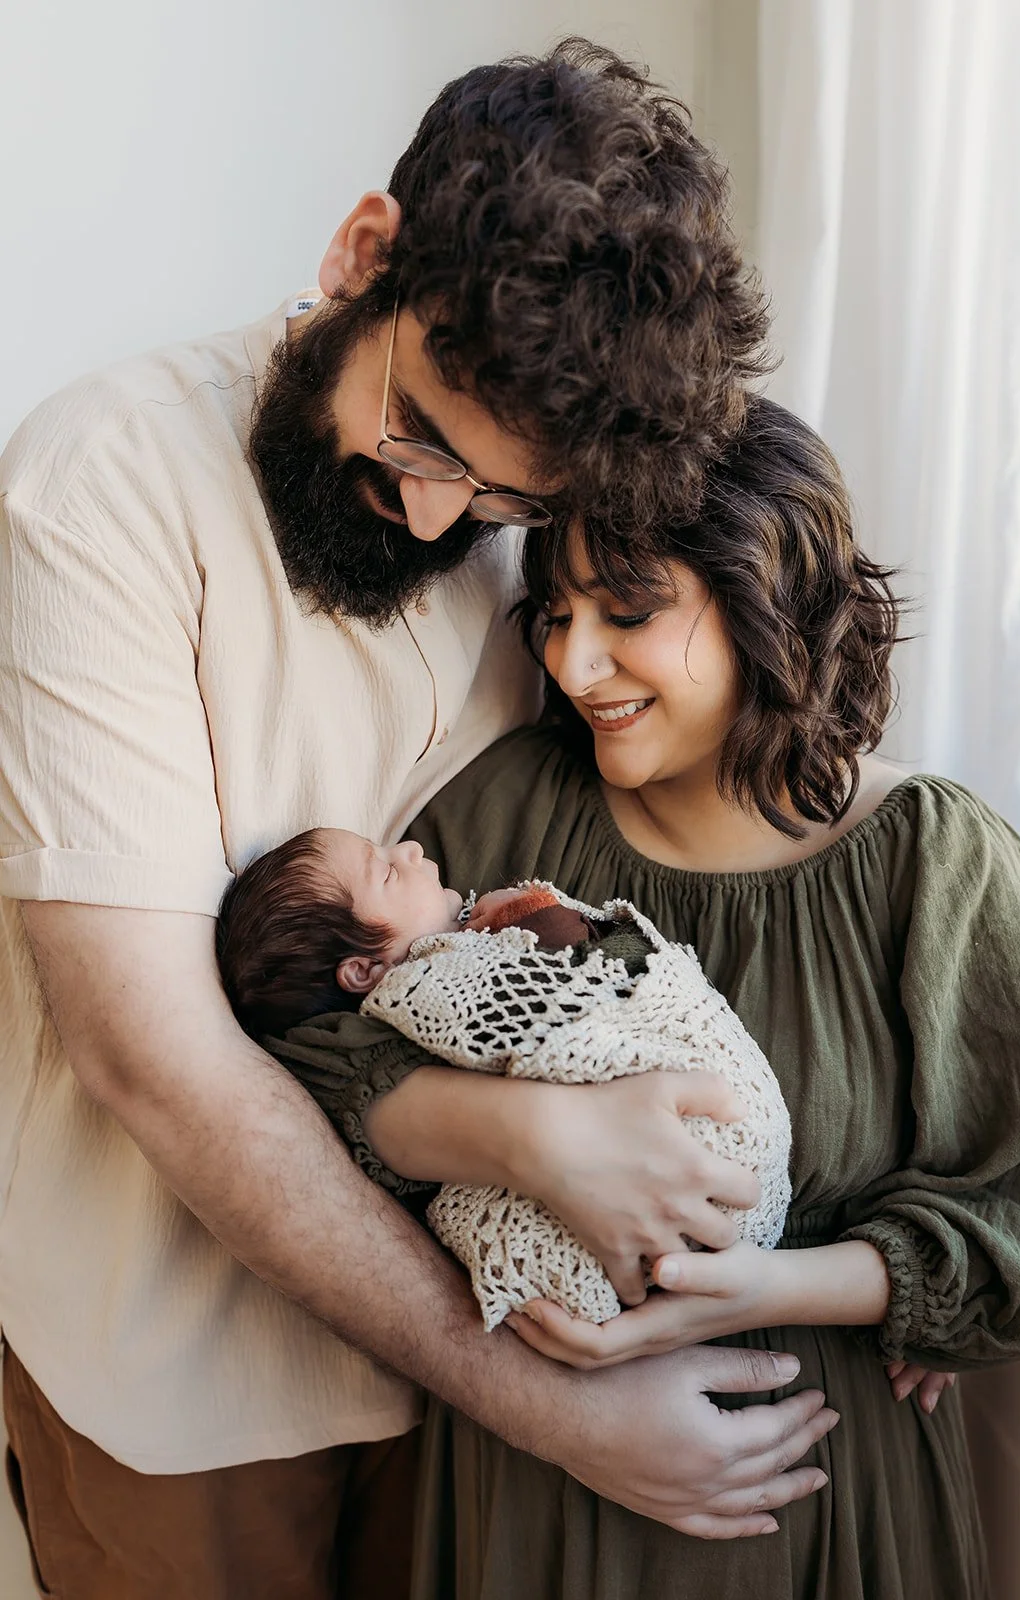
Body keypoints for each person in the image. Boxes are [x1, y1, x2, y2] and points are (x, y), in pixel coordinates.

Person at [0, 40, 835, 1600]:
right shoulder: (103, 483)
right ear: (362, 255)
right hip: (193, 1385)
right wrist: (559, 1404)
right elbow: (152, 1054)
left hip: (491, 1374)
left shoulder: (539, 547)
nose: (443, 520)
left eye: (505, 502)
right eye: (424, 439)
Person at [327, 395, 1020, 1599]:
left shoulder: (934, 862)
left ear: (767, 601)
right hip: (529, 1502)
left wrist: (800, 1283)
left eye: (628, 613)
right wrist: (521, 1134)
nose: (569, 663)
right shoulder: (500, 817)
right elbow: (305, 1055)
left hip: (825, 1507)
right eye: (557, 615)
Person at [213, 829, 793, 1326]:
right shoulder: (430, 988)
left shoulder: (459, 952)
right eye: (387, 870)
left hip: (688, 1166)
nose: (412, 849)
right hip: (653, 1193)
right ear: (364, 971)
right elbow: (564, 997)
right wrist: (538, 917)